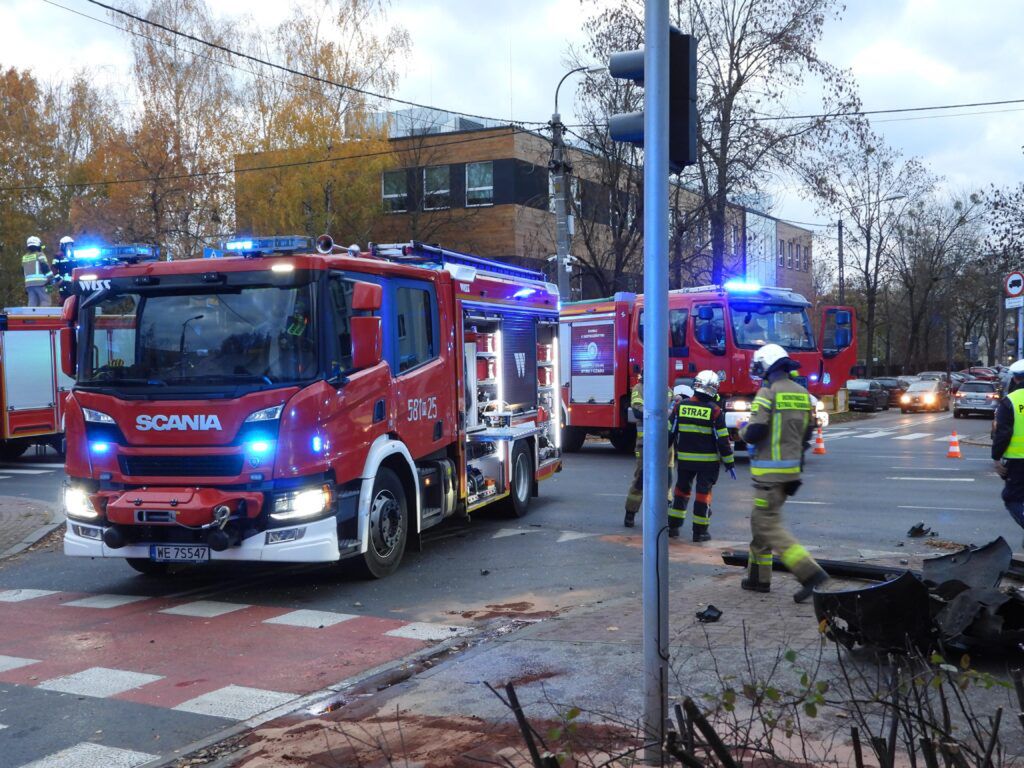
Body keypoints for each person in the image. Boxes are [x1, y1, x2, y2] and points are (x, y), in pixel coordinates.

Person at [740, 343, 828, 603]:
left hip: (768, 477)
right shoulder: (802, 393)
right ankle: (759, 578)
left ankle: (810, 573)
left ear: (767, 366)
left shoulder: (767, 394)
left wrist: (743, 430)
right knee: (760, 522)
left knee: (768, 525)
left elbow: (755, 431)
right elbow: (808, 433)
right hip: (790, 473)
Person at [669, 370, 735, 541]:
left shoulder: (680, 406)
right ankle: (700, 532)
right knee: (703, 496)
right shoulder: (715, 411)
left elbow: (670, 433)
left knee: (681, 492)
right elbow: (722, 440)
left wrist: (661, 456)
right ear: (714, 389)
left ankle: (673, 528)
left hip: (684, 461)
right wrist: (729, 463)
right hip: (708, 463)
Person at [623, 372, 675, 528]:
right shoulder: (639, 388)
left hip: (665, 443)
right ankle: (630, 513)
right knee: (640, 479)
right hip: (645, 443)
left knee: (667, 478)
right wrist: (659, 412)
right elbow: (637, 410)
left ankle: (665, 515)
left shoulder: (667, 390)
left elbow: (672, 411)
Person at [992, 359, 1024, 541]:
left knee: (1012, 498)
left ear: (1016, 379)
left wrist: (996, 458)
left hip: (1018, 460)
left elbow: (1003, 433)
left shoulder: (1010, 401)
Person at [22, 236, 52, 307]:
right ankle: (43, 317)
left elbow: (23, 272)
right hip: (41, 283)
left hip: (29, 285)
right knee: (45, 301)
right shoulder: (40, 255)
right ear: (38, 245)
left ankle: (30, 318)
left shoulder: (24, 257)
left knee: (32, 303)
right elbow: (45, 267)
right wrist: (51, 278)